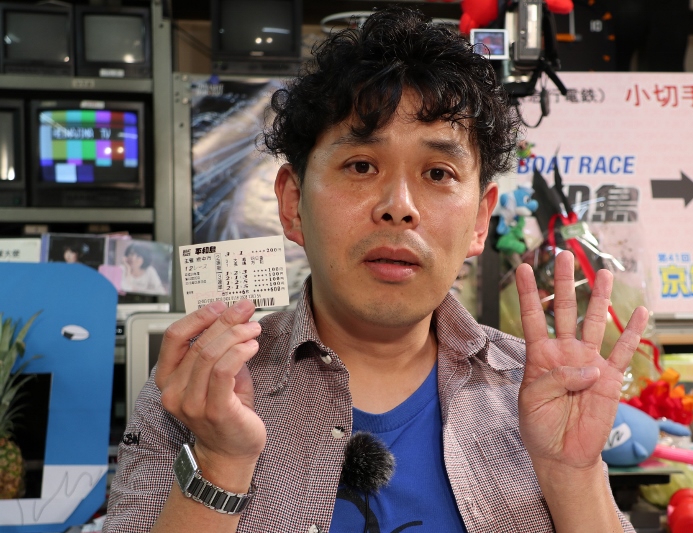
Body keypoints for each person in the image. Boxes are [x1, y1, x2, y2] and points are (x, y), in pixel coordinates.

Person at [104, 7, 647, 532]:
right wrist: (219, 462)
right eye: (361, 165)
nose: (399, 207)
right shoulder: (196, 395)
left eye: (438, 173)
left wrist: (573, 474)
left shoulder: (533, 390)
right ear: (293, 203)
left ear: (480, 221)